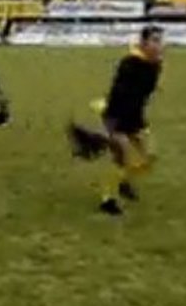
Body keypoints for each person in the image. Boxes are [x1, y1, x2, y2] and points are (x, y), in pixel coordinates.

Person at [68, 25, 164, 215]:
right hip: (117, 116)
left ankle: (122, 181)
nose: (159, 45)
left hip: (135, 117)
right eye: (154, 41)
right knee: (122, 157)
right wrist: (112, 126)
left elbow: (143, 94)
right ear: (143, 42)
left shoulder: (155, 65)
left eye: (160, 41)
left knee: (150, 155)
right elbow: (119, 94)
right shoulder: (130, 63)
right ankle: (108, 200)